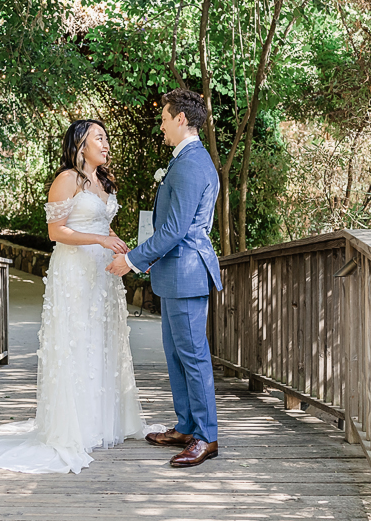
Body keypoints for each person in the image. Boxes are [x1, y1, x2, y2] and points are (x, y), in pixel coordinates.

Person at [0, 119, 163, 474]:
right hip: (74, 272)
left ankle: (103, 422)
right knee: (77, 340)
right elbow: (57, 232)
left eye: (106, 137)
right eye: (98, 137)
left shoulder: (103, 182)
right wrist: (100, 240)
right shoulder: (66, 179)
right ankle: (75, 427)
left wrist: (117, 245)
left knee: (104, 340)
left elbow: (100, 223)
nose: (106, 142)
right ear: (81, 145)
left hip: (102, 273)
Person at [106, 88, 222, 468]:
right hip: (176, 272)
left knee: (193, 356)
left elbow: (174, 229)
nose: (161, 126)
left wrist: (134, 261)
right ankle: (186, 426)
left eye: (164, 118)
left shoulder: (190, 163)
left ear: (181, 119)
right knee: (176, 356)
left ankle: (206, 437)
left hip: (187, 271)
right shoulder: (186, 160)